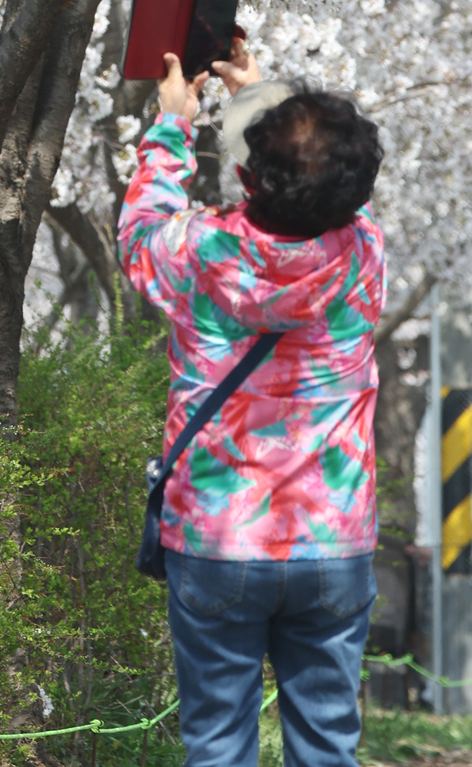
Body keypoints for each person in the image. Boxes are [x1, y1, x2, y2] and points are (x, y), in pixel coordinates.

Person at [118, 43, 385, 767]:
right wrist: (260, 101)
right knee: (329, 744)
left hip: (215, 536)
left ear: (243, 176)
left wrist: (174, 126)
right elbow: (318, 185)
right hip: (333, 541)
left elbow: (141, 231)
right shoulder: (362, 254)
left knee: (216, 743)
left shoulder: (198, 250)